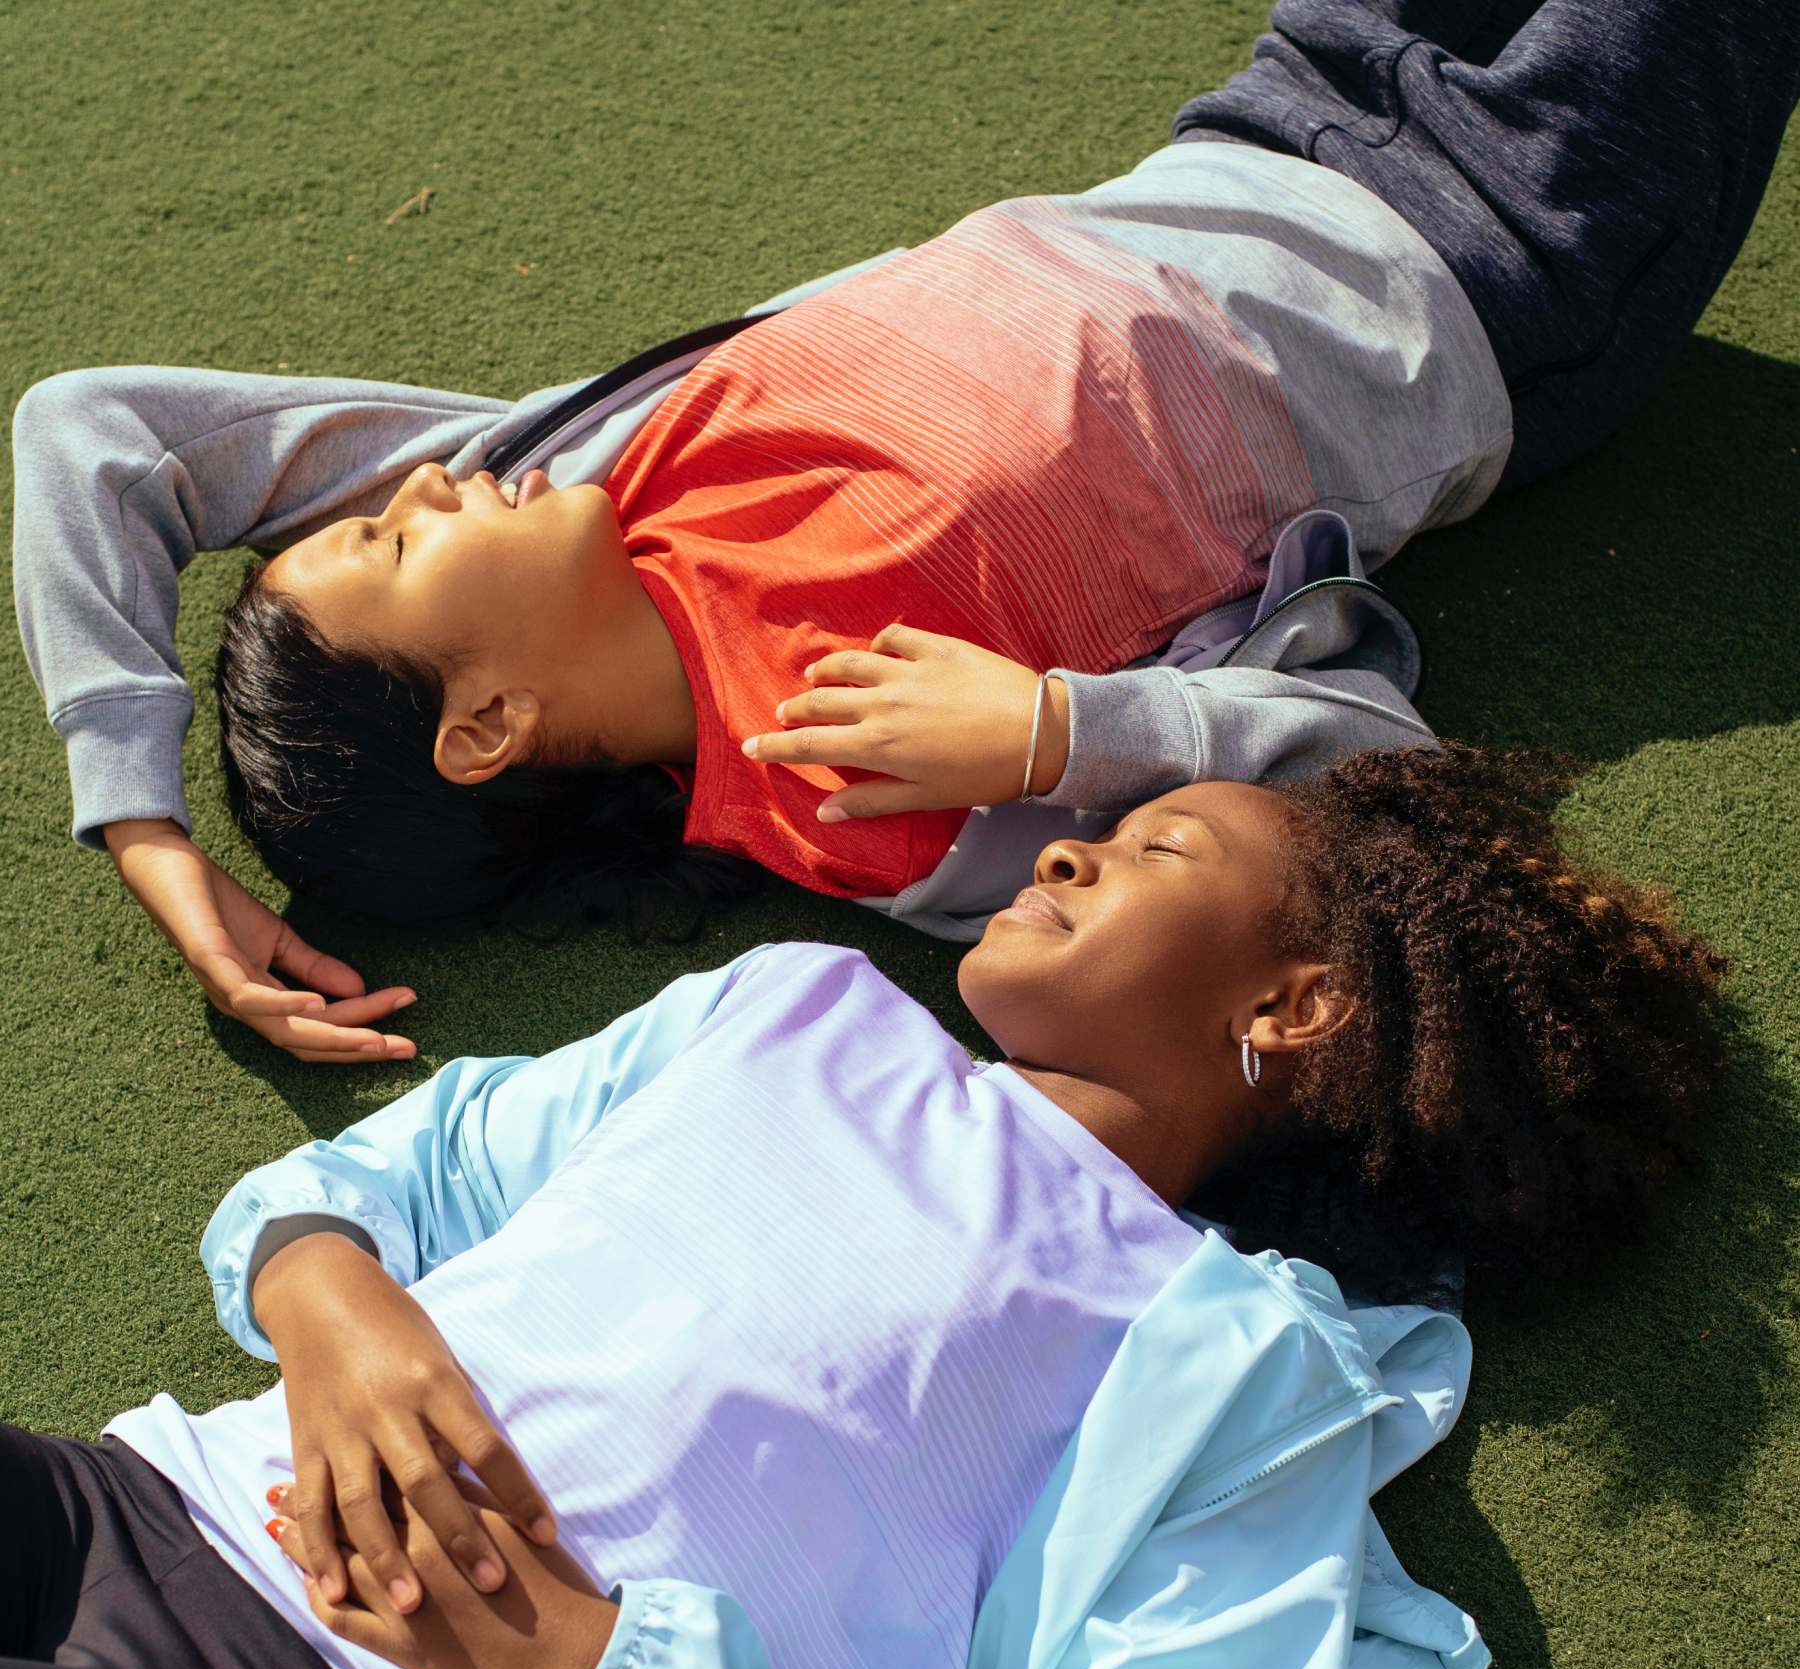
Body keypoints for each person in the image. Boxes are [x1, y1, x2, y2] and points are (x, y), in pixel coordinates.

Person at [13, 0, 1792, 1063]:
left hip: (1296, 100)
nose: (410, 490)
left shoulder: (586, 457)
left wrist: (146, 829)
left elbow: (91, 431)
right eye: (391, 550)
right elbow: (1364, 747)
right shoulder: (876, 799)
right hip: (1505, 254)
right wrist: (1057, 730)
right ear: (488, 727)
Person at [2, 747, 1727, 1669]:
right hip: (135, 1500)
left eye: (1156, 850)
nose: (1067, 847)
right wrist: (334, 1308)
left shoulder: (1227, 1367)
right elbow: (389, 1177)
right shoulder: (790, 1008)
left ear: (1289, 1010)